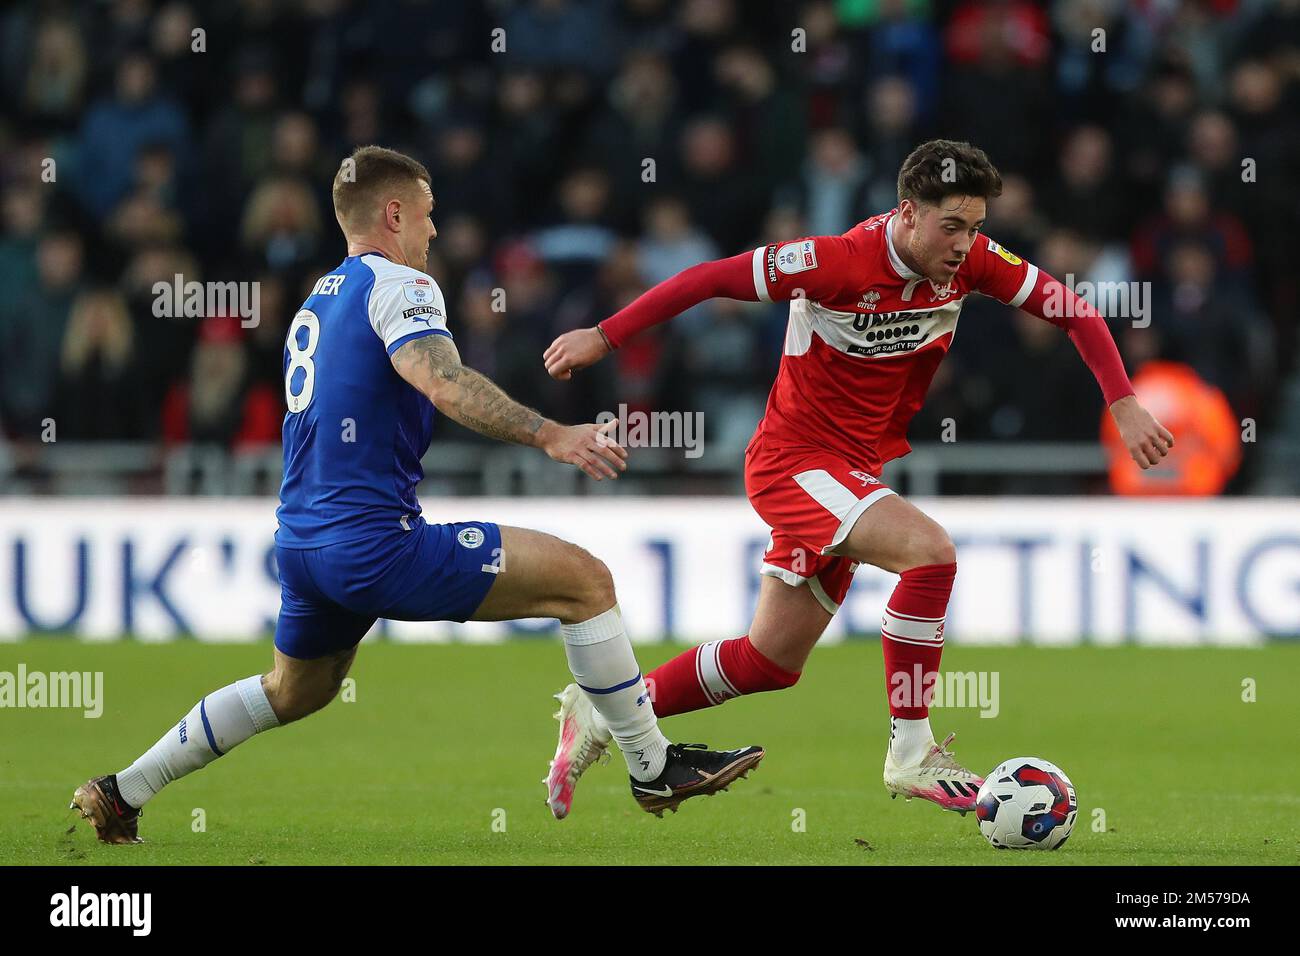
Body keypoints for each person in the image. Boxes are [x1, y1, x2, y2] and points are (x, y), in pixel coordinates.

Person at [70, 146, 762, 843]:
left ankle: (122, 791)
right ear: (394, 214)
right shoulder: (400, 285)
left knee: (294, 690)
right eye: (428, 215)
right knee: (585, 582)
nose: (434, 232)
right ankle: (652, 766)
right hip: (373, 544)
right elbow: (445, 382)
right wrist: (551, 432)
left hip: (304, 545)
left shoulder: (321, 295)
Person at [542, 139, 1172, 815]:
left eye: (977, 227)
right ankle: (911, 752)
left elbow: (1070, 310)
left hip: (852, 471)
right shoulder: (835, 261)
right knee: (930, 554)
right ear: (907, 213)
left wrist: (1124, 400)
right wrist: (606, 336)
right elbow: (710, 278)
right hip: (794, 463)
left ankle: (605, 706)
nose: (965, 244)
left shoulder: (973, 265)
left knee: (769, 661)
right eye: (951, 226)